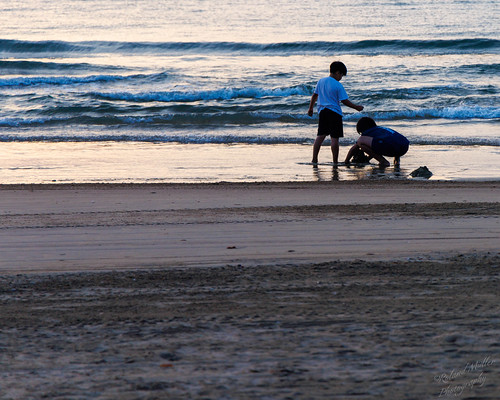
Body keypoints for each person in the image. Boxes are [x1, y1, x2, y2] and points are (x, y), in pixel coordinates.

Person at [307, 61, 364, 164]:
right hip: (334, 113)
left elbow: (315, 95)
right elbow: (344, 101)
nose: (341, 77)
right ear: (337, 72)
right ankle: (335, 161)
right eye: (341, 75)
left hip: (322, 112)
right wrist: (356, 107)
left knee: (320, 136)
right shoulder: (338, 85)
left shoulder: (321, 81)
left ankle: (314, 159)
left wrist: (310, 108)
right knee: (334, 138)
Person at [345, 117, 409, 167]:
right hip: (404, 146)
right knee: (385, 141)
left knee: (360, 142)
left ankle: (383, 161)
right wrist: (367, 159)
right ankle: (396, 162)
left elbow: (354, 147)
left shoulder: (368, 132)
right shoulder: (380, 129)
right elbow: (375, 147)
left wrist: (346, 161)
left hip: (391, 147)